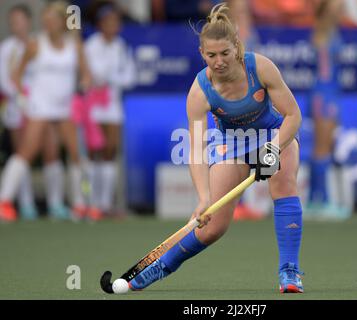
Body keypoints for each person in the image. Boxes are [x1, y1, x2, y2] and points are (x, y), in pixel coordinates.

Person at [128, 3, 304, 293]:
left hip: (274, 134)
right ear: (202, 54)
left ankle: (289, 272)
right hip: (232, 144)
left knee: (283, 185)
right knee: (212, 227)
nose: (219, 61)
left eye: (225, 53)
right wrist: (203, 198)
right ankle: (161, 266)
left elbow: (293, 116)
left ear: (236, 47)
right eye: (211, 55)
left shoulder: (260, 67)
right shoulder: (199, 92)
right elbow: (196, 150)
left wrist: (271, 149)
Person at [0, 1, 92, 221]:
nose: (47, 23)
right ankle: (4, 201)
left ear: (62, 22)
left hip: (64, 107)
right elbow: (16, 75)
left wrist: (83, 91)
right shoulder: (35, 44)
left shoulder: (75, 45)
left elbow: (86, 75)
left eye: (52, 20)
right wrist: (23, 99)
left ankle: (82, 204)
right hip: (40, 106)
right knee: (26, 152)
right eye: (45, 20)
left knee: (75, 155)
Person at [83, 1, 136, 219]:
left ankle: (105, 204)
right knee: (93, 152)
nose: (112, 26)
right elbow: (90, 75)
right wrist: (102, 78)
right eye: (108, 22)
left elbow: (129, 76)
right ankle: (91, 203)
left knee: (110, 152)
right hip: (92, 107)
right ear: (100, 24)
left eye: (115, 22)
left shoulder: (121, 47)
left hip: (112, 106)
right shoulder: (90, 46)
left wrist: (111, 79)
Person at [306, 0, 350, 218]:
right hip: (323, 95)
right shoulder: (322, 33)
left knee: (327, 146)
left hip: (332, 94)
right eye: (335, 8)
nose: (339, 10)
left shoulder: (333, 31)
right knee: (321, 148)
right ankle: (319, 200)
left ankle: (318, 198)